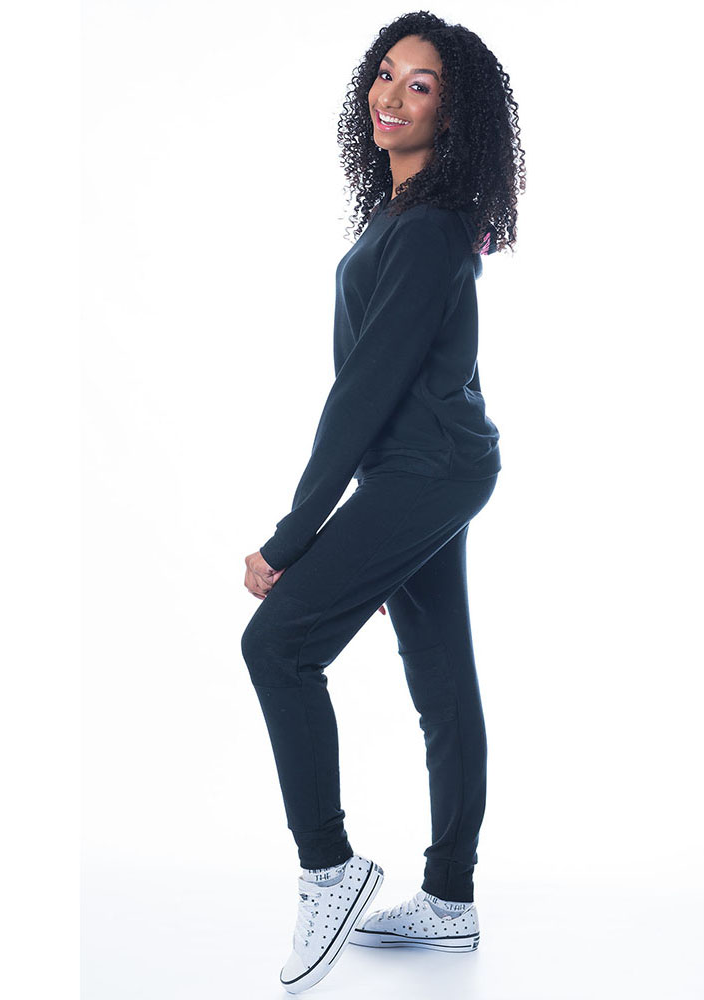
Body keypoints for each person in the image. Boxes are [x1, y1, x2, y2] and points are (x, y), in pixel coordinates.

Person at [240, 12, 524, 993]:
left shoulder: (430, 228)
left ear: (454, 114)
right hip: (429, 468)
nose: (392, 96)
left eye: (421, 85)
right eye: (386, 74)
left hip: (423, 470)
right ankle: (450, 899)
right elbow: (380, 389)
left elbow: (363, 393)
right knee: (441, 676)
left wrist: (294, 537)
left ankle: (329, 869)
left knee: (277, 645)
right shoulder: (409, 219)